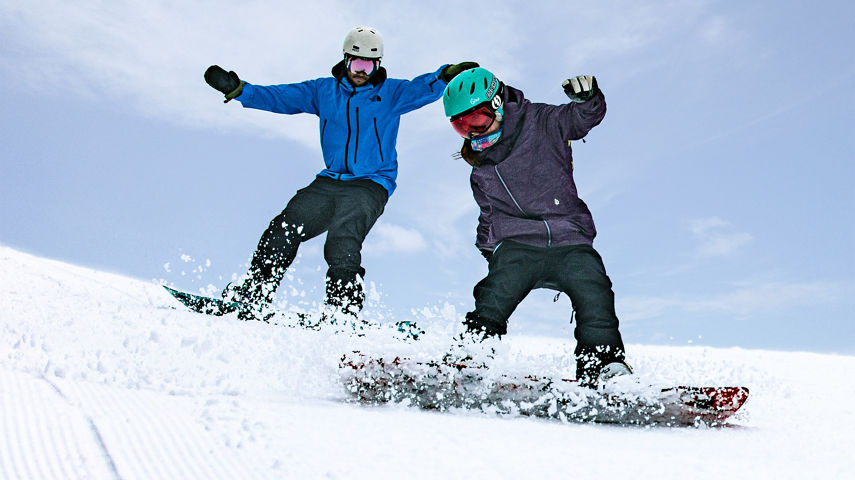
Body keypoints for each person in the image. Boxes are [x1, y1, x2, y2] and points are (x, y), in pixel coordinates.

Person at [203, 26, 476, 322]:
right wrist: (241, 90)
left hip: (371, 183)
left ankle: (342, 314)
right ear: (345, 60)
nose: (362, 71)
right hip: (331, 179)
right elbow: (281, 97)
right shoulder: (323, 91)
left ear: (378, 65)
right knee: (284, 227)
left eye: (369, 64)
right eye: (356, 63)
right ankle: (255, 294)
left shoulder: (392, 94)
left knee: (342, 241)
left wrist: (445, 74)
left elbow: (422, 87)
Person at [442, 67, 630, 386]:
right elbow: (488, 215)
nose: (472, 131)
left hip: (569, 237)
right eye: (461, 126)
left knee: (594, 291)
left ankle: (602, 366)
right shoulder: (481, 171)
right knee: (495, 293)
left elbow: (578, 118)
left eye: (476, 119)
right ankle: (472, 356)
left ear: (498, 103)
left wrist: (588, 99)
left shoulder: (540, 121)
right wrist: (492, 253)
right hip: (518, 244)